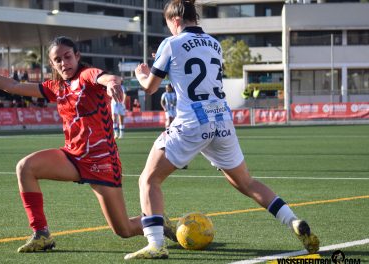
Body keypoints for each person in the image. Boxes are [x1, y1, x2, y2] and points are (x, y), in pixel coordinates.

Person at [124, 0, 319, 260]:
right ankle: (292, 220)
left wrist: (142, 73)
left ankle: (156, 243)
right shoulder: (214, 44)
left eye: (169, 24)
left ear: (176, 20)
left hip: (192, 122)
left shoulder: (171, 43)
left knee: (148, 179)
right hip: (221, 119)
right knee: (246, 182)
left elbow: (149, 87)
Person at [0, 36, 176, 253]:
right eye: (58, 60)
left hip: (102, 163)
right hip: (72, 158)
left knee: (124, 230)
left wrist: (111, 83)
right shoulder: (56, 87)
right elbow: (12, 85)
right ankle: (41, 234)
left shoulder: (86, 75)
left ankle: (156, 221)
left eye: (68, 57)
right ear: (52, 64)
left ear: (77, 56)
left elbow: (106, 77)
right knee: (25, 167)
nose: (64, 63)